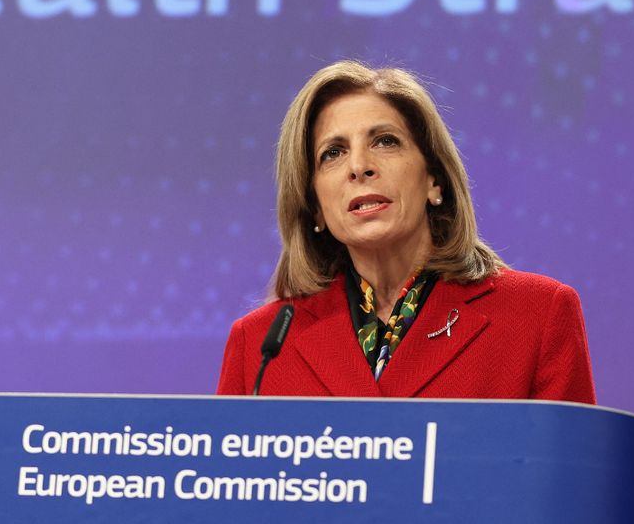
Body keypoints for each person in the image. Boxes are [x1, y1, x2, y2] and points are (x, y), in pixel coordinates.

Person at [216, 60, 595, 402]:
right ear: (315, 205)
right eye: (333, 153)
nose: (359, 166)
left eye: (385, 142)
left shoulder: (537, 316)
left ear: (435, 180)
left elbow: (571, 477)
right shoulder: (260, 347)